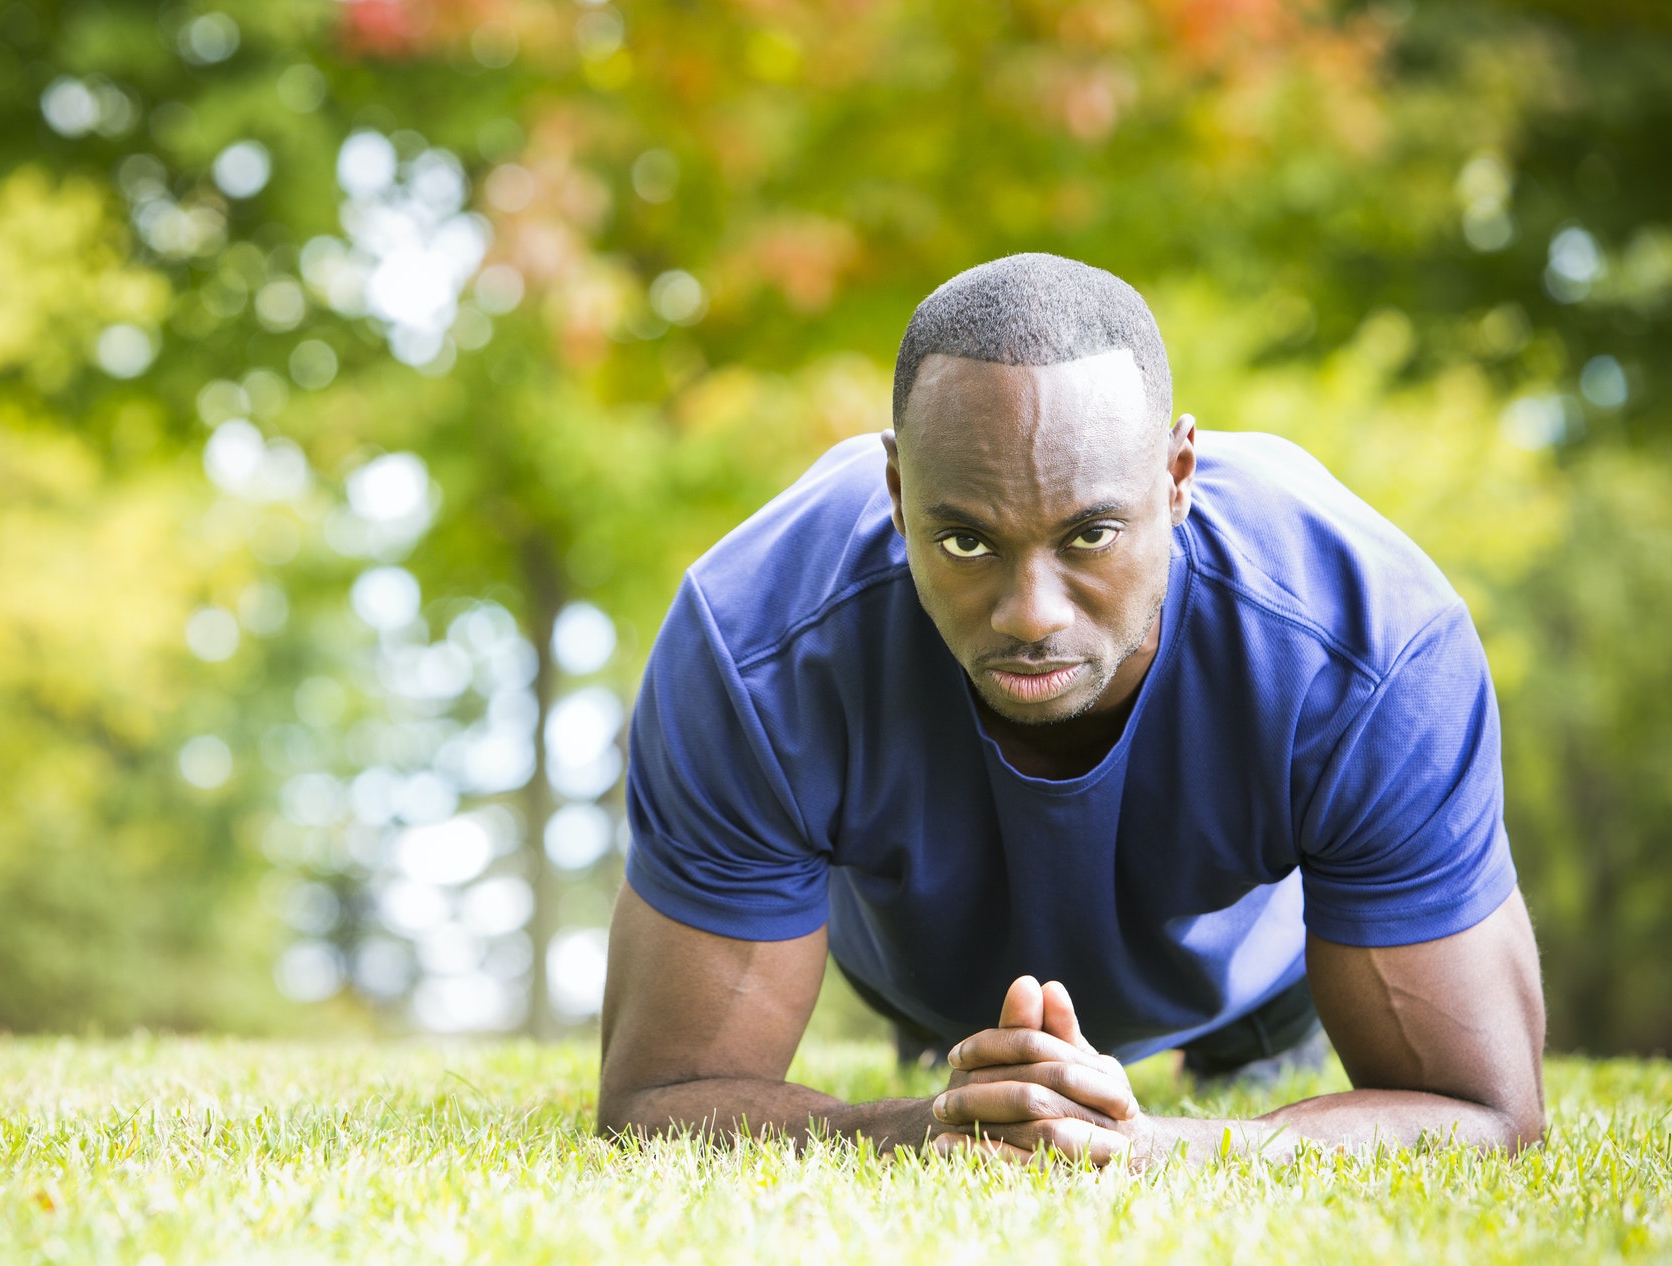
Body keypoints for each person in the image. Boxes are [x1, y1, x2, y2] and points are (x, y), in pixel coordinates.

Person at [596, 253, 1545, 1166]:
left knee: (1258, 1049)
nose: (1029, 613)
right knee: (958, 1045)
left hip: (1250, 976)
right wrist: (930, 1122)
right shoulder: (752, 640)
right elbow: (659, 1097)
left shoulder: (1372, 641)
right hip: (934, 985)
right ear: (896, 491)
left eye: (1090, 533)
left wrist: (1164, 1146)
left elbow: (1488, 1113)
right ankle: (954, 1045)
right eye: (966, 541)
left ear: (1177, 480)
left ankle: (1252, 1042)